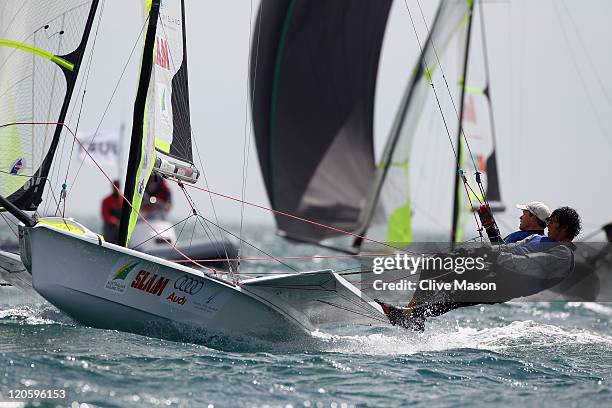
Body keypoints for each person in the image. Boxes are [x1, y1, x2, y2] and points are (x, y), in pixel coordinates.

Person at [377, 206, 582, 331]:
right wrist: (485, 246)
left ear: (564, 229)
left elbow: (526, 263)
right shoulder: (541, 239)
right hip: (496, 272)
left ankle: (408, 316)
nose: (549, 226)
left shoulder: (563, 256)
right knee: (437, 263)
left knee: (455, 297)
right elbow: (508, 248)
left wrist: (493, 255)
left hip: (506, 285)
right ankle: (411, 314)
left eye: (553, 223)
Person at [101, 180, 122, 244]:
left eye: (117, 186)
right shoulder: (106, 200)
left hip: (121, 228)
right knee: (108, 243)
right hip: (109, 227)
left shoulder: (123, 200)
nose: (116, 188)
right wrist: (115, 221)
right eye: (114, 186)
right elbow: (105, 215)